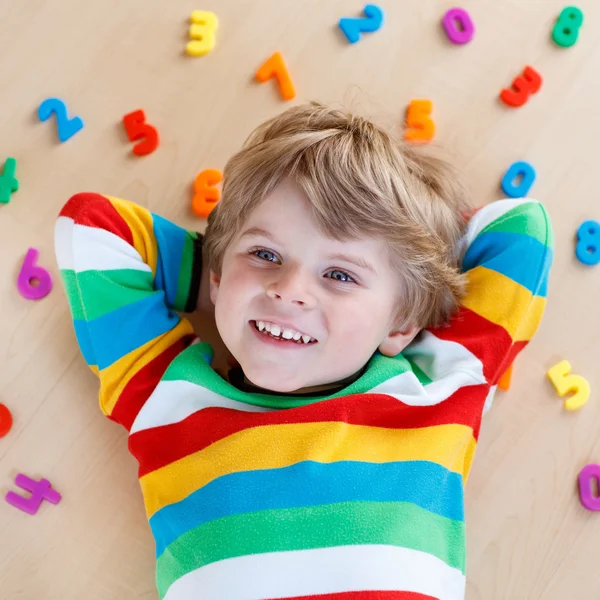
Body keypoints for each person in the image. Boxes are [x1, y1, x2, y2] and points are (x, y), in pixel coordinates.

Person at [54, 102, 553, 600]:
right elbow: (93, 225)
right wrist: (229, 284)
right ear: (219, 272)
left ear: (401, 322)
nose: (289, 289)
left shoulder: (438, 388)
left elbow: (522, 228)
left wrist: (413, 261)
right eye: (266, 254)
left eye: (339, 275)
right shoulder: (164, 398)